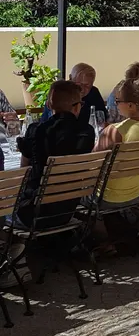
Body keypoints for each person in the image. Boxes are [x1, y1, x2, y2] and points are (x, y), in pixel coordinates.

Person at [16, 80, 95, 228]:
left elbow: (23, 172)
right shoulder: (86, 133)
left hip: (32, 213)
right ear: (77, 107)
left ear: (48, 105)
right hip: (67, 210)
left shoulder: (35, 130)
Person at [96, 78, 139, 207]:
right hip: (136, 193)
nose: (115, 104)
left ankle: (97, 225)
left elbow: (92, 163)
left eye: (117, 101)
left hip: (108, 196)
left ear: (131, 105)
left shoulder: (116, 131)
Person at [40, 63, 107, 125]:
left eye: (87, 86)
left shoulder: (94, 93)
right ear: (70, 78)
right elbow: (46, 121)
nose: (82, 89)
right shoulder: (59, 92)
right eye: (78, 84)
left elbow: (102, 118)